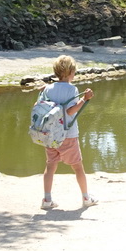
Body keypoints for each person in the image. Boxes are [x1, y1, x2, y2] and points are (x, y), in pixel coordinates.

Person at [41, 55, 97, 211]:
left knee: (50, 166)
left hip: (49, 134)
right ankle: (86, 197)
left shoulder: (47, 88)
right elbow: (71, 111)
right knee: (78, 167)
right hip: (68, 135)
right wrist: (84, 99)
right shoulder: (72, 89)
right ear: (71, 72)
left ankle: (47, 199)